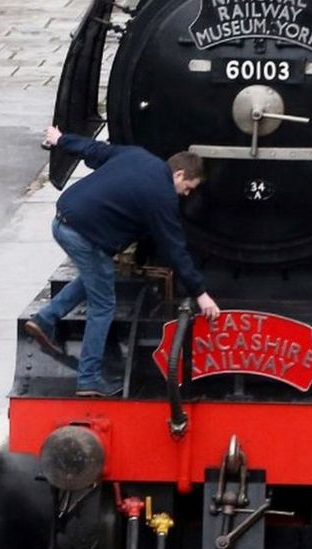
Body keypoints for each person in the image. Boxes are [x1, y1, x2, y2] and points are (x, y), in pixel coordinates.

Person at [25, 126, 221, 397]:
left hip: (62, 218)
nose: (186, 194)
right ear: (178, 174)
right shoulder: (162, 197)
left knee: (95, 276)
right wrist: (201, 294)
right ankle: (89, 379)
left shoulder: (137, 156)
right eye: (188, 188)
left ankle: (46, 317)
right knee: (103, 305)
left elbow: (95, 151)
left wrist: (61, 140)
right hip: (83, 235)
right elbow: (175, 249)